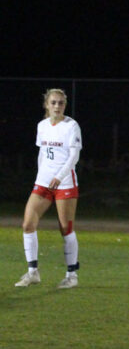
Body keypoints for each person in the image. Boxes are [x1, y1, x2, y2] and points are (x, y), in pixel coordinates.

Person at [15, 88, 82, 289]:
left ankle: (72, 276)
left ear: (65, 105)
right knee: (27, 224)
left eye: (61, 103)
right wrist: (41, 177)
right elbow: (42, 154)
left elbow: (74, 157)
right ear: (46, 104)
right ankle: (32, 272)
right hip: (43, 183)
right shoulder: (42, 126)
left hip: (65, 183)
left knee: (65, 229)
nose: (57, 106)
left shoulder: (71, 126)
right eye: (53, 102)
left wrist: (59, 177)